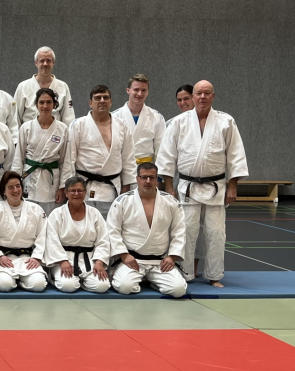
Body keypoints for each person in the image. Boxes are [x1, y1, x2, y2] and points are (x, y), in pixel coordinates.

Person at [156, 80, 248, 287]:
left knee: (216, 233)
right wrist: (169, 186)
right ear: (193, 96)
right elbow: (166, 156)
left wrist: (233, 185)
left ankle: (214, 275)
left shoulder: (226, 121)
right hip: (187, 187)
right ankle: (186, 273)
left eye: (207, 93)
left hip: (217, 187)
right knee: (186, 231)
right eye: (199, 93)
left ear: (213, 96)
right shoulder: (179, 122)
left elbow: (235, 154)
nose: (203, 97)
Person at [108, 163, 188, 298]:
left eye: (152, 177)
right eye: (144, 177)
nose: (148, 181)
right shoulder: (122, 201)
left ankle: (153, 281)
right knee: (125, 287)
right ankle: (139, 277)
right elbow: (112, 230)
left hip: (160, 262)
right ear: (137, 178)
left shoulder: (170, 202)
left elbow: (179, 231)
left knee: (178, 290)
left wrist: (172, 256)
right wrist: (124, 255)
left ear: (157, 179)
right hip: (132, 260)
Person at [61, 85, 137, 218]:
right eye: (97, 98)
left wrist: (126, 189)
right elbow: (69, 159)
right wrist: (69, 189)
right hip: (84, 189)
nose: (102, 100)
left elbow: (128, 160)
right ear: (90, 103)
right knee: (85, 230)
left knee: (109, 231)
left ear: (111, 102)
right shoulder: (78, 125)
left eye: (106, 97)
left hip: (112, 190)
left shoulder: (122, 126)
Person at [0, 172, 64, 292]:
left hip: (27, 258)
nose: (15, 190)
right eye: (10, 187)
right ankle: (14, 280)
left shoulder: (36, 209)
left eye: (18, 186)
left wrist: (37, 257)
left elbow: (43, 235)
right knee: (5, 285)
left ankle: (21, 280)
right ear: (3, 191)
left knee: (38, 285)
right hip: (3, 258)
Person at [43, 177, 111, 293]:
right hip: (64, 258)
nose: (76, 194)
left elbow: (103, 240)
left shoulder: (94, 213)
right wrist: (62, 261)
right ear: (66, 192)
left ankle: (83, 281)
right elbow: (52, 240)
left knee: (102, 286)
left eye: (80, 191)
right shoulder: (57, 214)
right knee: (68, 286)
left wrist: (99, 262)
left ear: (85, 192)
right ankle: (55, 278)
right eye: (72, 191)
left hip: (89, 259)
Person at [166, 84, 206, 276]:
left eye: (186, 99)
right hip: (182, 183)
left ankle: (195, 268)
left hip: (208, 184)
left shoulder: (214, 122)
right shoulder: (173, 123)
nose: (183, 103)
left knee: (205, 231)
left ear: (194, 98)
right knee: (183, 227)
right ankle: (183, 267)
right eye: (179, 100)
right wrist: (168, 186)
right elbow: (167, 158)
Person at [12, 87, 68, 216]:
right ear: (36, 104)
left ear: (54, 104)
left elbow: (66, 160)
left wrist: (62, 187)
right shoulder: (26, 127)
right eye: (41, 102)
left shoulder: (62, 129)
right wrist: (15, 184)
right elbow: (18, 158)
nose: (45, 106)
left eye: (49, 102)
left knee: (50, 219)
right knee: (28, 218)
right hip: (29, 177)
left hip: (51, 181)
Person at [111, 74, 165, 166]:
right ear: (128, 90)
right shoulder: (114, 117)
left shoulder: (157, 117)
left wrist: (159, 174)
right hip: (121, 167)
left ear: (148, 92)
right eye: (136, 89)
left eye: (143, 90)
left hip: (147, 169)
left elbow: (160, 149)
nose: (140, 94)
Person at [14, 46, 75, 125]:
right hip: (29, 134)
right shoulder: (23, 87)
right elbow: (15, 117)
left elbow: (69, 118)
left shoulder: (63, 87)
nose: (45, 64)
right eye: (42, 61)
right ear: (36, 63)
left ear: (53, 63)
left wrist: (68, 136)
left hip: (55, 134)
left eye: (48, 61)